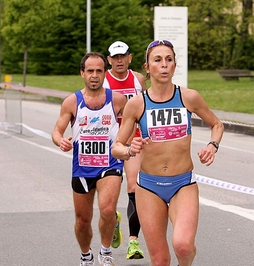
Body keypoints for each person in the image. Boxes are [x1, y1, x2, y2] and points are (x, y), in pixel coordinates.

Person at [111, 40, 224, 266]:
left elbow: (217, 124)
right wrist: (129, 150)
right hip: (149, 187)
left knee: (183, 246)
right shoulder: (136, 104)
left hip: (183, 184)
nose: (164, 65)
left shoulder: (188, 97)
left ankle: (187, 258)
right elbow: (116, 147)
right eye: (157, 60)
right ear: (147, 67)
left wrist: (213, 145)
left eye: (169, 60)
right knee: (160, 260)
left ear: (174, 65)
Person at [52, 52, 127, 266]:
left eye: (99, 71)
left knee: (107, 209)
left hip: (110, 165)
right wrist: (61, 141)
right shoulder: (72, 102)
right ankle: (86, 255)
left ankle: (105, 253)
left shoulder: (117, 100)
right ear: (82, 73)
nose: (94, 75)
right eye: (90, 71)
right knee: (82, 221)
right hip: (82, 168)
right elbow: (56, 131)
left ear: (105, 73)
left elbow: (132, 125)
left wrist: (125, 144)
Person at [103, 41, 147, 260]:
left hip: (133, 140)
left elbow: (148, 105)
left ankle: (133, 242)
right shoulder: (102, 80)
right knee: (107, 203)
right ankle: (114, 219)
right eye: (115, 57)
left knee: (133, 187)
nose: (119, 61)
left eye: (123, 56)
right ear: (109, 60)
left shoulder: (138, 80)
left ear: (129, 58)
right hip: (110, 143)